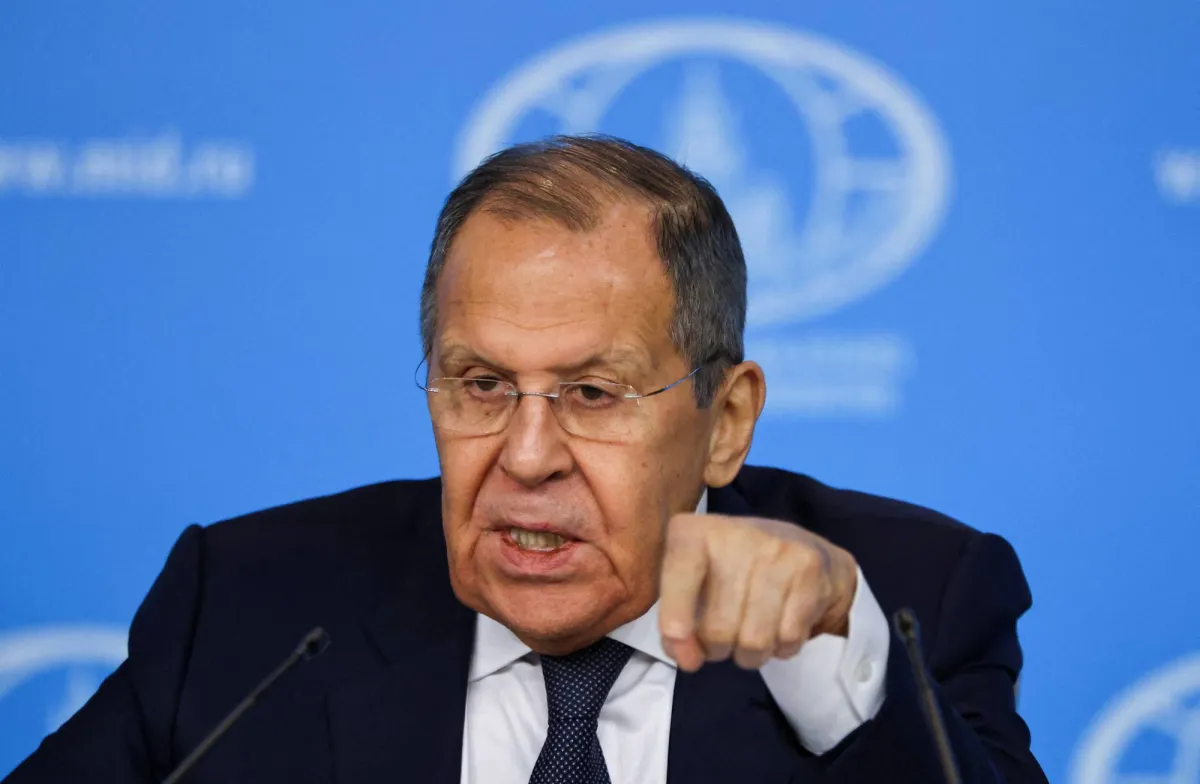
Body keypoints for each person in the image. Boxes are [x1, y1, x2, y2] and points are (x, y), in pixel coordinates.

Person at [5, 135, 1048, 783]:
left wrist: (830, 662)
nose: (528, 456)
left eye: (592, 394)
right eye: (481, 384)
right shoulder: (248, 608)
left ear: (726, 420)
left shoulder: (912, 600)